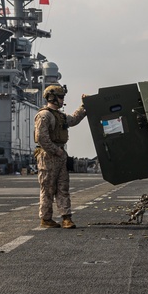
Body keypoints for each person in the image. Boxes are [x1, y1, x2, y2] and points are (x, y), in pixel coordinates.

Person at [34, 84, 87, 229]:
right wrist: (55, 150)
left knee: (63, 187)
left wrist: (84, 106)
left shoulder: (60, 116)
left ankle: (66, 218)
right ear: (52, 97)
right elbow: (41, 138)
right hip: (48, 156)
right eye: (60, 97)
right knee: (48, 188)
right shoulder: (44, 115)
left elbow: (74, 119)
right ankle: (46, 218)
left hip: (60, 154)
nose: (63, 100)